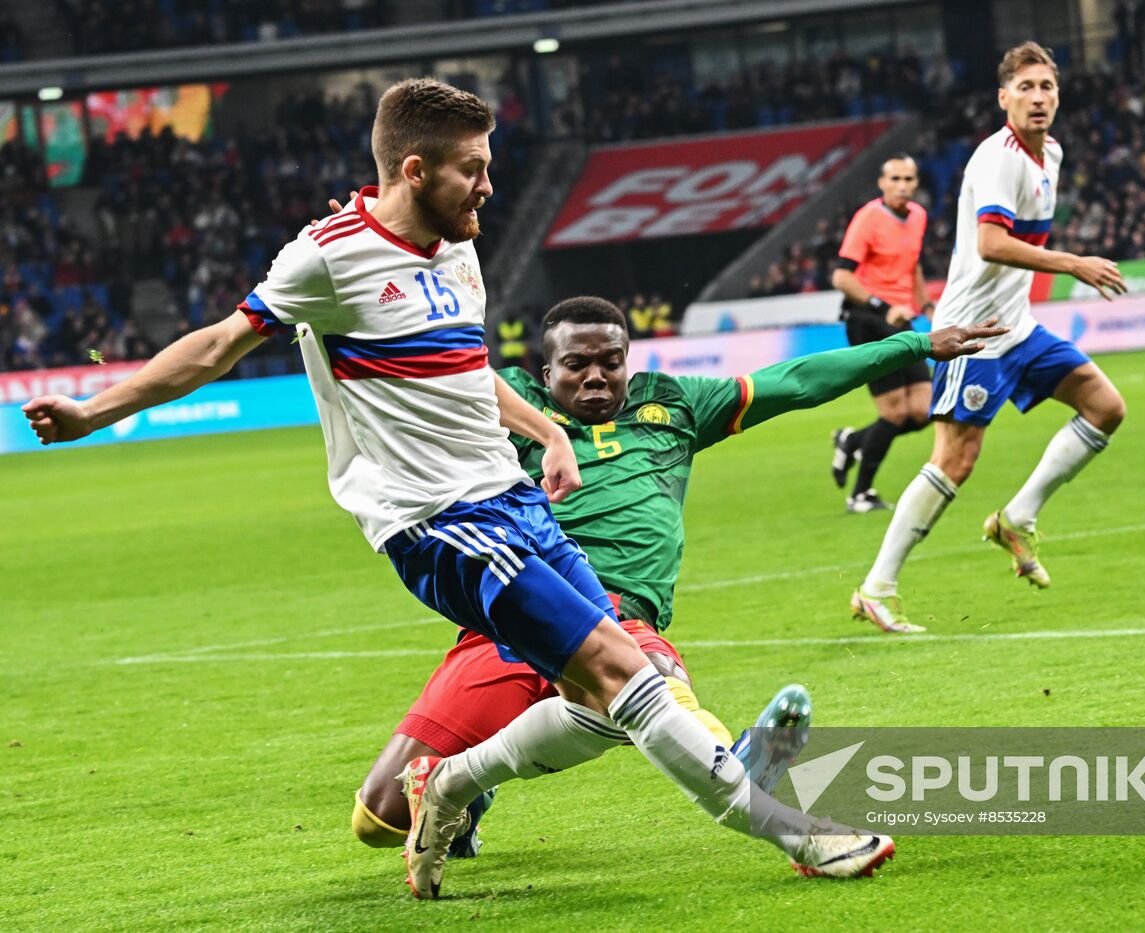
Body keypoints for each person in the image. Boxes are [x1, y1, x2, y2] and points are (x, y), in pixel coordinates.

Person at [23, 78, 905, 899]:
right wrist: (99, 409)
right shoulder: (328, 259)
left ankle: (457, 780)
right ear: (416, 169)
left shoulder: (458, 253)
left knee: (616, 694)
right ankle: (796, 834)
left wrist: (547, 428)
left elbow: (463, 370)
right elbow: (217, 346)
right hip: (442, 524)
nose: (489, 186)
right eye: (472, 169)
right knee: (622, 674)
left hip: (514, 505)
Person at [351, 296, 1008, 845]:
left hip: (618, 617)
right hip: (509, 619)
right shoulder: (507, 409)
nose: (596, 378)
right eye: (576, 364)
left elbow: (799, 381)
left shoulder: (676, 404)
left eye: (611, 362)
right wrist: (371, 255)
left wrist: (916, 347)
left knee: (653, 681)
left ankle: (737, 757)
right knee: (379, 819)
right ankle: (471, 792)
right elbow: (411, 358)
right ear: (543, 370)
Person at [851, 42, 1128, 634]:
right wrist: (1075, 263)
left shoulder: (1050, 152)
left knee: (1105, 406)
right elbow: (992, 244)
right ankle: (877, 588)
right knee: (955, 460)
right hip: (972, 332)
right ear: (1004, 98)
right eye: (1025, 88)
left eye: (1046, 87)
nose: (1037, 98)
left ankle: (1016, 519)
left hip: (1017, 326)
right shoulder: (997, 158)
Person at [829, 154, 937, 513]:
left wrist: (926, 304)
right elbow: (842, 278)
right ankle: (860, 494)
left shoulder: (918, 217)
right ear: (882, 182)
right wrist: (881, 306)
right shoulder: (869, 217)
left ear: (916, 183)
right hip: (868, 320)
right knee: (893, 414)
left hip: (901, 318)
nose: (903, 185)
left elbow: (913, 263)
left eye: (909, 179)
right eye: (895, 179)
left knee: (922, 411)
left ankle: (852, 440)